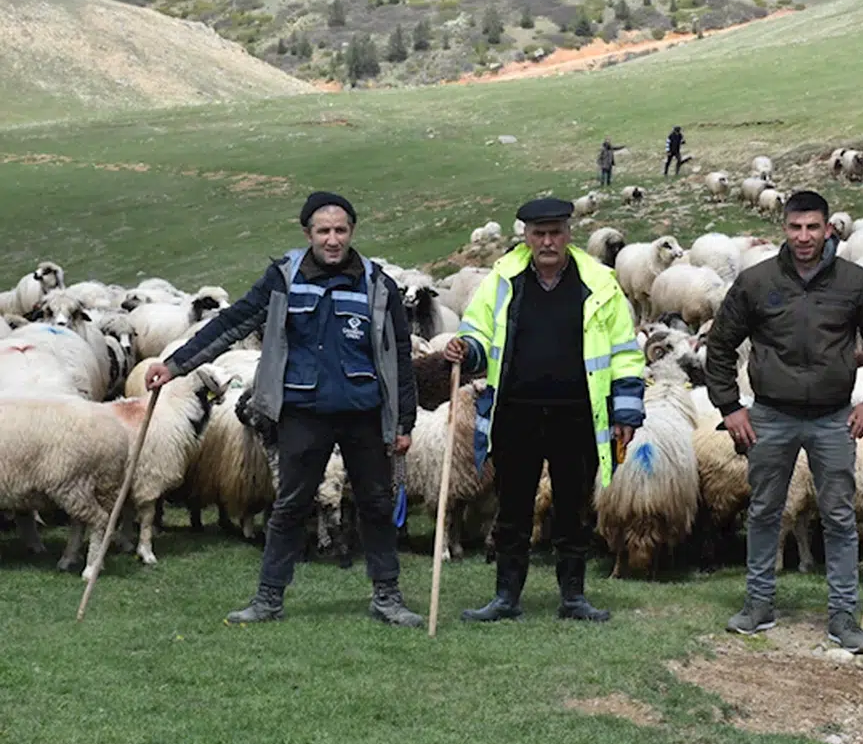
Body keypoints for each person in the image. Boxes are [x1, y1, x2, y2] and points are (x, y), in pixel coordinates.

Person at [145, 191, 422, 627]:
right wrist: (177, 364)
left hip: (363, 413)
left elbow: (400, 355)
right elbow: (234, 321)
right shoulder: (283, 278)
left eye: (341, 230)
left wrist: (404, 419)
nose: (333, 240)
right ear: (307, 233)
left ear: (352, 231)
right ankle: (268, 598)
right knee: (290, 505)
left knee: (375, 503)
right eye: (323, 231)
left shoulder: (377, 284)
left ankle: (387, 596)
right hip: (302, 412)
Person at [703, 190, 863, 653]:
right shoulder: (757, 282)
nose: (804, 236)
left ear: (828, 228)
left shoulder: (855, 283)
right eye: (796, 227)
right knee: (765, 509)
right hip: (771, 414)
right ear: (785, 229)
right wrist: (730, 407)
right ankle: (758, 603)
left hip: (835, 417)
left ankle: (842, 614)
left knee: (838, 513)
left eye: (813, 227)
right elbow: (720, 347)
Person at [443, 197, 646, 623]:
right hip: (516, 412)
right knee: (513, 506)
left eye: (556, 232)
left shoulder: (599, 282)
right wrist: (468, 347)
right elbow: (477, 329)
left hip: (578, 414)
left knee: (573, 507)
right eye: (539, 234)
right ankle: (506, 597)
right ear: (526, 236)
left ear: (569, 233)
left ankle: (573, 596)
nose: (548, 241)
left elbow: (625, 352)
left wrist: (626, 413)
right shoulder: (503, 279)